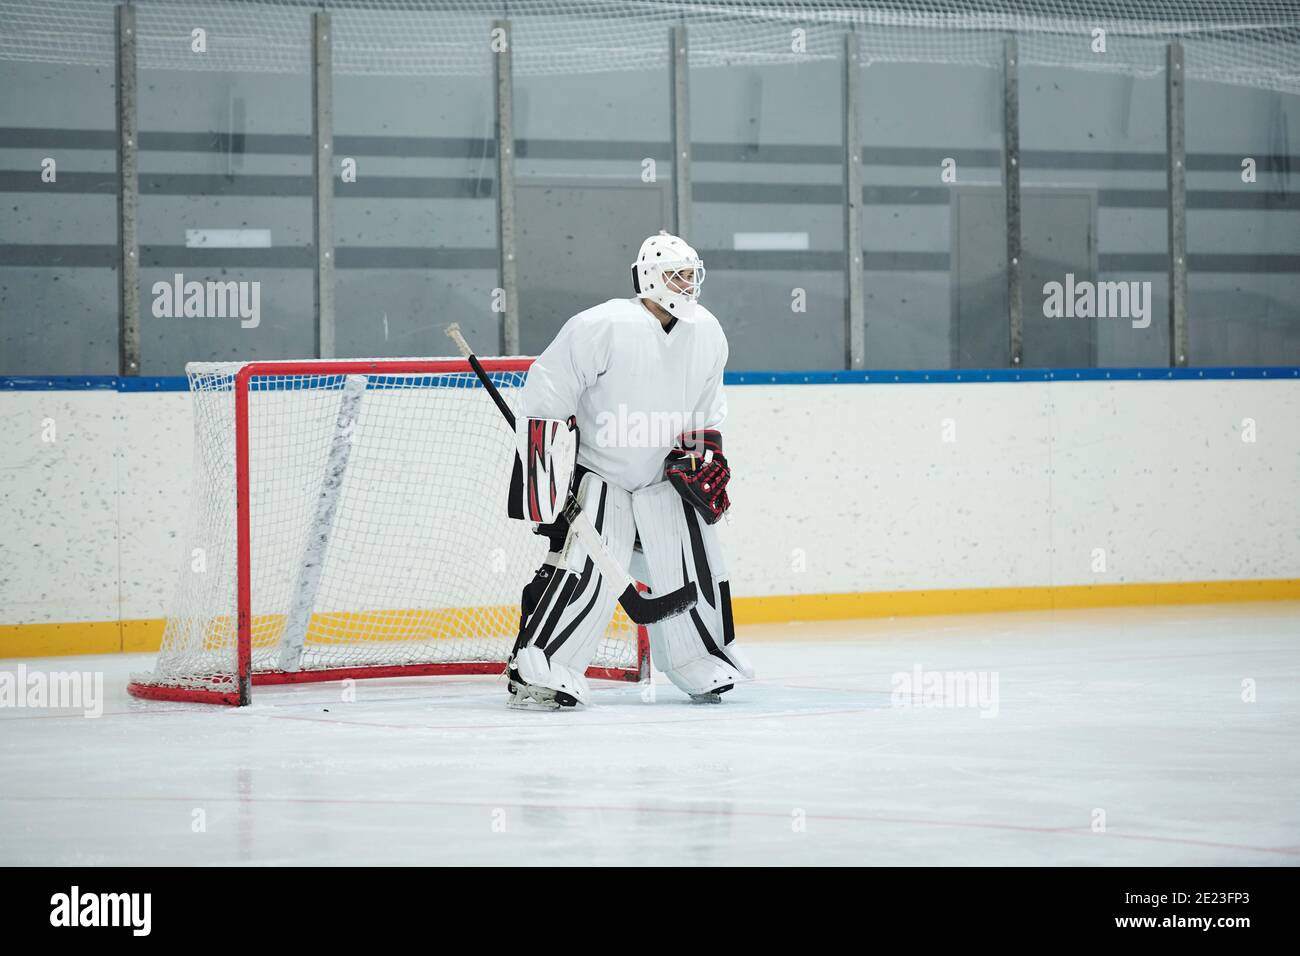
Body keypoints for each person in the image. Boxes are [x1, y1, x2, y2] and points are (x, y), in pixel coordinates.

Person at [505, 231, 753, 708]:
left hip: (665, 480)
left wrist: (705, 458)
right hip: (602, 476)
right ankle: (543, 664)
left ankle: (698, 658)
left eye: (690, 275)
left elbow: (705, 410)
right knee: (586, 572)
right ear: (649, 278)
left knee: (694, 564)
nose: (685, 285)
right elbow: (548, 393)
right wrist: (547, 485)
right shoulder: (601, 325)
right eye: (675, 275)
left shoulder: (707, 331)